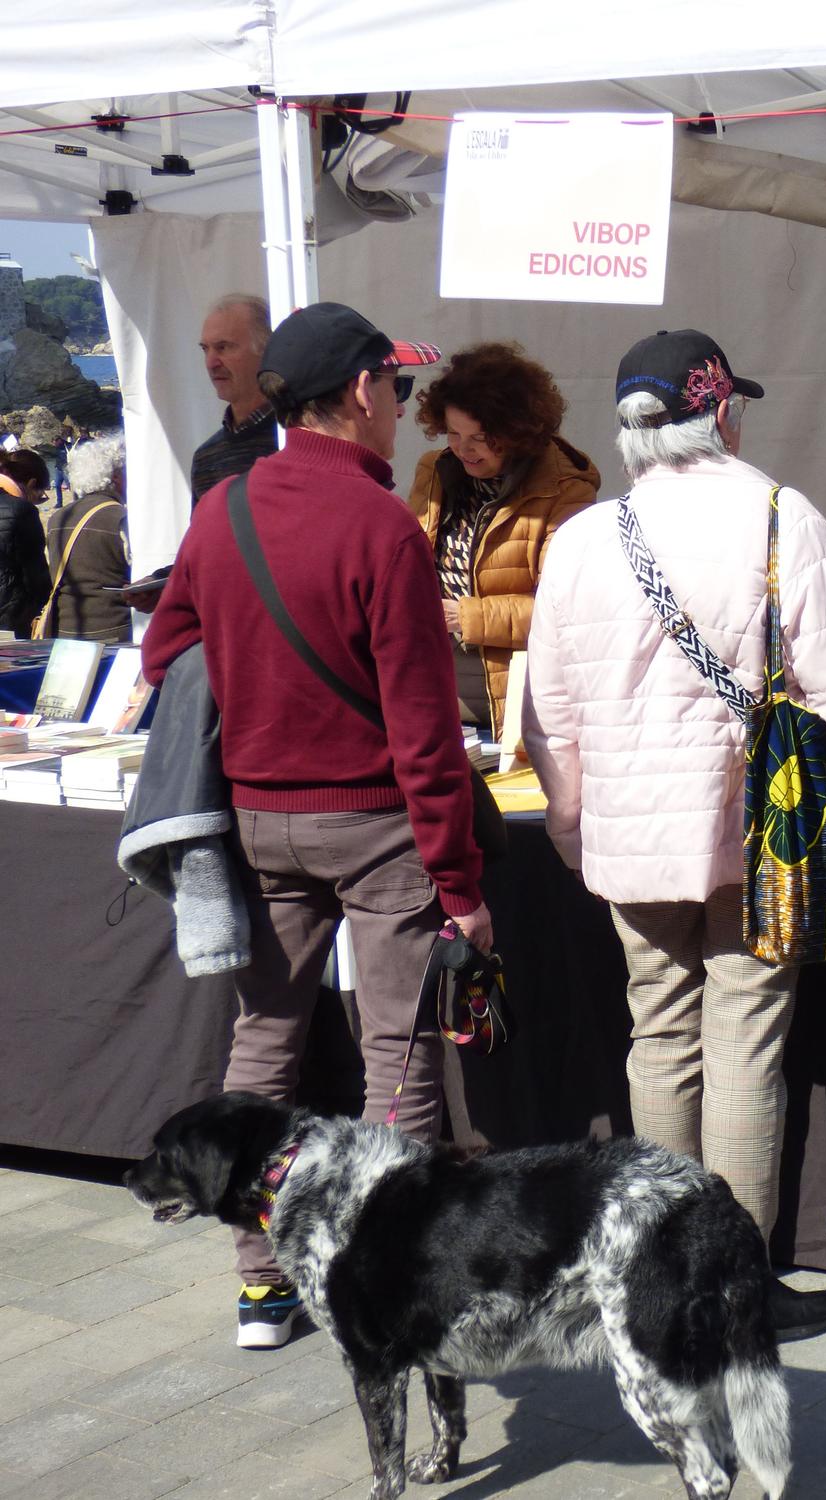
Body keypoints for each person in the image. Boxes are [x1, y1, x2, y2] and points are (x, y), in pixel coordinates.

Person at [525, 329, 826, 1340]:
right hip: (754, 828)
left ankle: (663, 1270)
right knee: (746, 1037)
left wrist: (572, 830)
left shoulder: (578, 539)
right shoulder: (781, 516)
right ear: (722, 410)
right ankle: (731, 1283)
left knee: (659, 1032)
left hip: (627, 837)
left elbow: (546, 713)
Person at [142, 301, 493, 1350]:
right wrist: (464, 889)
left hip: (259, 818)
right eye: (399, 388)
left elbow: (166, 655)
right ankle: (394, 1283)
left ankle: (260, 1284)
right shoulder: (381, 525)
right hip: (375, 822)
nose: (405, 407)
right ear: (357, 393)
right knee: (398, 1057)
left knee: (264, 1044)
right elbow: (424, 732)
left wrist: (255, 703)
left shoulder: (227, 507)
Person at [406, 342, 600, 737]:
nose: (463, 449)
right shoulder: (435, 469)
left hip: (516, 697)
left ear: (515, 432)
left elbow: (565, 610)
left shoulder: (565, 488)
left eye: (479, 437)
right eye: (453, 434)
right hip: (435, 683)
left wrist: (465, 616)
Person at [188, 293, 277, 509]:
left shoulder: (298, 438)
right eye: (205, 349)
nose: (211, 362)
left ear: (265, 350)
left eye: (223, 347)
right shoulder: (206, 458)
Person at [40, 434, 132, 642]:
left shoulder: (58, 517)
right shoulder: (120, 517)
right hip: (114, 627)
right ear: (116, 476)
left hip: (66, 627)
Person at [0, 450, 52, 638]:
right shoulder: (22, 511)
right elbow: (35, 578)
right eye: (40, 496)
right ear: (32, 484)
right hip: (10, 619)